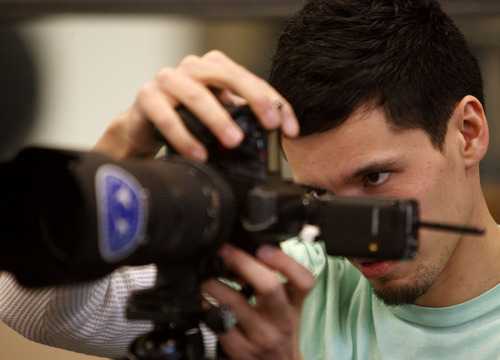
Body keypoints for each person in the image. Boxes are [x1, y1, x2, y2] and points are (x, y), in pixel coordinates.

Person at [1, 0, 500, 359]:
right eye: (318, 195)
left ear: (469, 133)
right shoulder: (288, 287)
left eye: (374, 177)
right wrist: (124, 148)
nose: (348, 238)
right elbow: (33, 307)